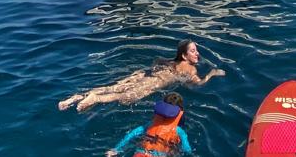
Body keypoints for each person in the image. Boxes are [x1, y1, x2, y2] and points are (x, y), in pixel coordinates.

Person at [57, 40, 225, 112]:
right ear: (184, 56)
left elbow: (156, 62)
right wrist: (212, 74)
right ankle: (95, 98)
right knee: (124, 97)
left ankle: (75, 98)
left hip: (144, 74)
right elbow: (198, 83)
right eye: (193, 51)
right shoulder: (191, 70)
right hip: (153, 83)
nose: (197, 53)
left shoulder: (170, 61)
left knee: (112, 87)